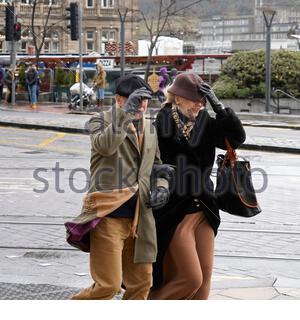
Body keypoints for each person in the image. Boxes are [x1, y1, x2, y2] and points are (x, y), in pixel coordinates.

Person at [66, 74, 171, 300]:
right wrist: (125, 116)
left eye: (144, 100)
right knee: (108, 285)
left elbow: (157, 166)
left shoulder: (150, 129)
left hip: (140, 217)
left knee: (142, 284)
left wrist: (162, 186)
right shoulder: (99, 121)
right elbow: (105, 146)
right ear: (118, 100)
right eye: (135, 100)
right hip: (108, 216)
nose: (141, 105)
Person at [148, 73, 246, 300]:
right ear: (178, 98)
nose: (199, 104)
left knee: (203, 285)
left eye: (202, 100)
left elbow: (237, 138)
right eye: (195, 100)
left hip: (205, 206)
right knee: (190, 279)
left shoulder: (205, 123)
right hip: (175, 209)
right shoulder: (161, 122)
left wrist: (218, 105)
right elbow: (149, 164)